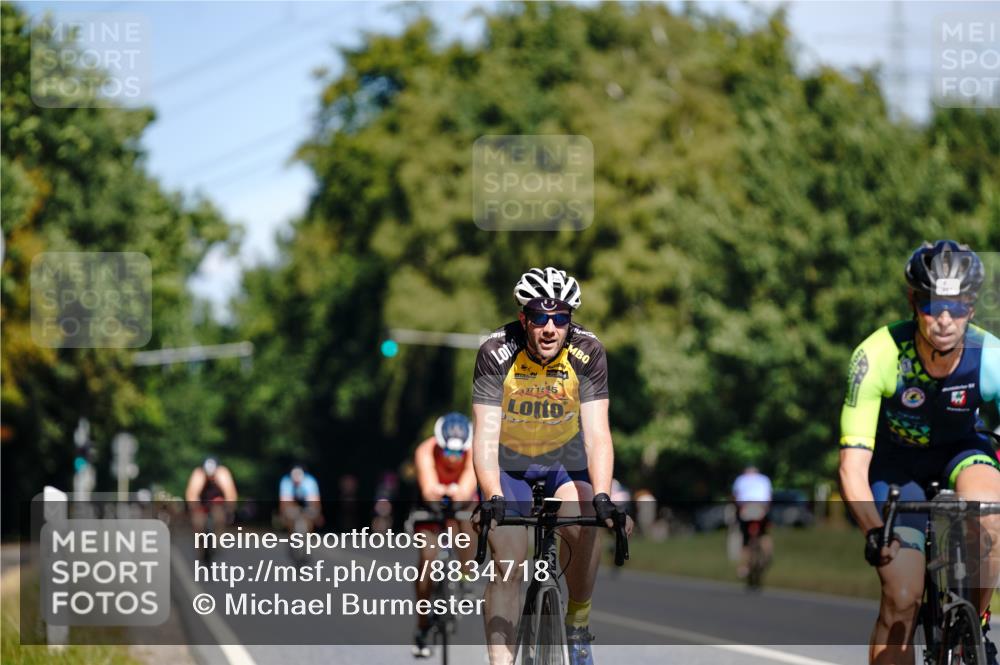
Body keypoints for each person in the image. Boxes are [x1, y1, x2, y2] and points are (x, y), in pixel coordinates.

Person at [838, 240, 1000, 665]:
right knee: (902, 597)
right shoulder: (877, 355)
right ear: (914, 302)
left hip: (962, 452)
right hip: (896, 468)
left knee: (990, 512)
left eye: (957, 307)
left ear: (972, 307)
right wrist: (873, 530)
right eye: (933, 306)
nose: (945, 320)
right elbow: (852, 466)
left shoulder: (991, 356)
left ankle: (975, 623)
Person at [472, 267, 633, 665]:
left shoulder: (588, 351)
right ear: (523, 318)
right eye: (539, 317)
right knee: (508, 563)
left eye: (560, 318)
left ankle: (577, 625)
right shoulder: (495, 351)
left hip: (564, 460)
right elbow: (485, 435)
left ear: (569, 321)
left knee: (586, 515)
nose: (550, 328)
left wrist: (603, 496)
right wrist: (492, 496)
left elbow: (597, 434)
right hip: (507, 465)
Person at [411, 412, 478, 658]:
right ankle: (422, 627)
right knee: (427, 560)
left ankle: (466, 575)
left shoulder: (474, 451)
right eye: (448, 451)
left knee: (469, 522)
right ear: (439, 444)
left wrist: (457, 493)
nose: (452, 458)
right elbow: (428, 488)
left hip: (461, 504)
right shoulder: (425, 450)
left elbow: (467, 487)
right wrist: (437, 491)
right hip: (429, 508)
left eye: (458, 453)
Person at [185, 457, 238, 547]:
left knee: (219, 517)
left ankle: (217, 539)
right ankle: (200, 541)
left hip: (217, 501)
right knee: (198, 522)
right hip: (202, 501)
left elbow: (230, 493)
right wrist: (194, 508)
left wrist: (230, 509)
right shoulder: (198, 474)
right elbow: (192, 494)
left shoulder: (222, 473)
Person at [731, 465, 773, 579]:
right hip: (761, 508)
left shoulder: (740, 479)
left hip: (746, 508)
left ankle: (744, 567)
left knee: (745, 540)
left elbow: (735, 497)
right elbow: (769, 497)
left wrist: (736, 512)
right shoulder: (764, 479)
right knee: (764, 534)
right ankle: (768, 555)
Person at [279, 464, 323, 533]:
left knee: (312, 512)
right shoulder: (286, 481)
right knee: (289, 513)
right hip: (293, 506)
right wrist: (283, 515)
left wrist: (318, 515)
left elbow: (315, 502)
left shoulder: (310, 481)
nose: (296, 477)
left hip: (307, 505)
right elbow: (284, 503)